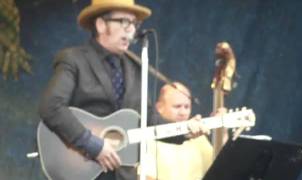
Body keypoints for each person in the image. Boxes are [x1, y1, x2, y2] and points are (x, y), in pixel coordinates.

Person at [38, 0, 207, 179]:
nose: (131, 30)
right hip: (82, 171)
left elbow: (147, 118)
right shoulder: (74, 60)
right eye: (124, 22)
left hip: (124, 174)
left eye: (135, 24)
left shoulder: (136, 67)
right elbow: (51, 106)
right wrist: (93, 145)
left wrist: (183, 130)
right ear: (101, 25)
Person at [144, 82, 225, 180]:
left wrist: (222, 131)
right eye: (177, 106)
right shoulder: (149, 139)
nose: (183, 112)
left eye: (187, 107)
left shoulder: (198, 138)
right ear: (159, 108)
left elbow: (219, 168)